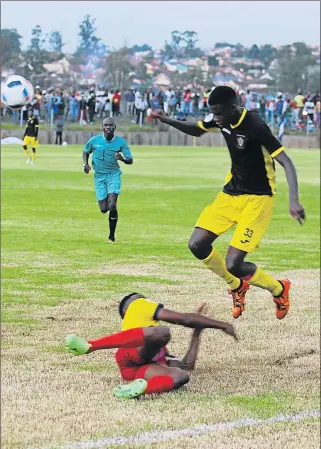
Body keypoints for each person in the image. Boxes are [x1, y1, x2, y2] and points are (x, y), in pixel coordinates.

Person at [151, 86, 305, 320]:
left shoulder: (255, 126)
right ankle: (236, 286)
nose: (216, 118)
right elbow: (196, 130)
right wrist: (166, 119)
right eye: (213, 113)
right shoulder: (221, 119)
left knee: (234, 263)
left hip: (258, 199)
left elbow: (287, 162)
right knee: (197, 245)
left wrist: (294, 200)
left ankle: (279, 289)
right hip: (230, 194)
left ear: (234, 108)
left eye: (220, 113)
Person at [66, 293, 237, 399]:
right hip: (131, 353)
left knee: (181, 376)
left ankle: (139, 389)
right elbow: (184, 319)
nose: (149, 301)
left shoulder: (152, 340)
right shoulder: (137, 305)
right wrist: (222, 325)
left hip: (134, 371)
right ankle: (90, 345)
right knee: (163, 332)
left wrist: (197, 332)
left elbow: (187, 364)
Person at [83, 117, 133, 243]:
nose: (108, 127)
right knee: (104, 209)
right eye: (106, 125)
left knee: (112, 204)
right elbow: (85, 151)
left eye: (111, 125)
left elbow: (130, 160)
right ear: (102, 127)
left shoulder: (120, 142)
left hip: (113, 175)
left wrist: (121, 158)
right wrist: (86, 164)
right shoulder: (95, 140)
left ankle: (111, 236)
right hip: (99, 177)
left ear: (115, 127)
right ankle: (110, 213)